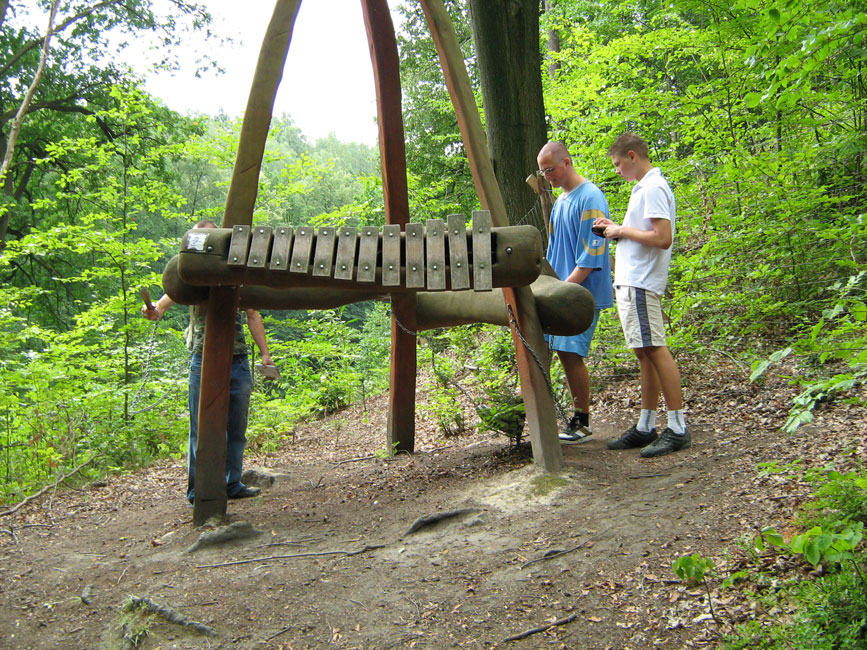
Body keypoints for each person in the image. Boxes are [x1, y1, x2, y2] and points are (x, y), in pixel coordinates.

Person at [142, 219, 274, 503]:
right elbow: (160, 307)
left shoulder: (235, 272)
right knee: (201, 427)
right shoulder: (188, 275)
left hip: (237, 358)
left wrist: (265, 353)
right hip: (202, 358)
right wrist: (151, 311)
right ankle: (198, 489)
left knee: (236, 426)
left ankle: (231, 483)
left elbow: (252, 314)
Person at [593, 133, 689, 457]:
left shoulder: (653, 187)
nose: (617, 170)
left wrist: (620, 231)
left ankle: (677, 427)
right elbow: (645, 233)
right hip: (632, 282)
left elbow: (662, 237)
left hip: (641, 283)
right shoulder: (643, 189)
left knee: (656, 349)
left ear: (632, 156)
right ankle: (646, 424)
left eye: (618, 164)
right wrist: (617, 227)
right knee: (644, 352)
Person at [536, 141, 613, 444]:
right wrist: (546, 285)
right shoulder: (560, 201)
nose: (547, 177)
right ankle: (563, 418)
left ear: (566, 163)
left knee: (571, 352)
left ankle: (582, 423)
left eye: (550, 170)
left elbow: (593, 254)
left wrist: (565, 289)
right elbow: (554, 251)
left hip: (581, 293)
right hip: (561, 290)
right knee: (558, 351)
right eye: (542, 173)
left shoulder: (591, 197)